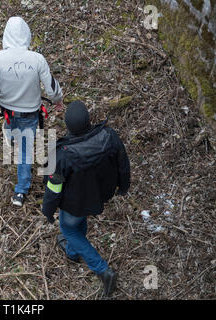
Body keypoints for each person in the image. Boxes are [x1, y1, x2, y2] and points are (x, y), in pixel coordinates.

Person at [41, 101, 131, 297]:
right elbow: (123, 163)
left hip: (75, 204)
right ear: (89, 120)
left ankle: (103, 270)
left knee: (68, 229)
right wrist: (123, 186)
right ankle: (73, 253)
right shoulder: (109, 136)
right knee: (77, 225)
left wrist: (47, 211)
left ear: (68, 126)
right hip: (99, 195)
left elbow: (53, 189)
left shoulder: (61, 155)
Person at [0, 16, 63, 207]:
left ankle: (10, 138)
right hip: (29, 115)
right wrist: (58, 100)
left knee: (13, 134)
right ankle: (20, 192)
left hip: (7, 112)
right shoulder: (37, 59)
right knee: (25, 153)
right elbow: (51, 88)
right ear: (27, 35)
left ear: (6, 35)